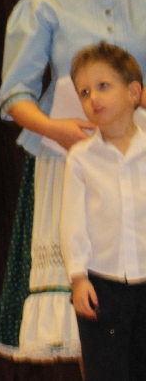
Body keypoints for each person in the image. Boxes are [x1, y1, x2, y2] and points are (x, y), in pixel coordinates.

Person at [0, 0, 146, 362]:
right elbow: (14, 96)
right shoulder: (44, 6)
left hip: (141, 160)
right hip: (71, 161)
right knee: (89, 309)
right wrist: (56, 129)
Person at [60, 42, 146, 381]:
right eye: (84, 92)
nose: (93, 98)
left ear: (134, 92)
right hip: (102, 288)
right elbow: (72, 223)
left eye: (103, 86)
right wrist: (78, 277)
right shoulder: (81, 159)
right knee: (106, 371)